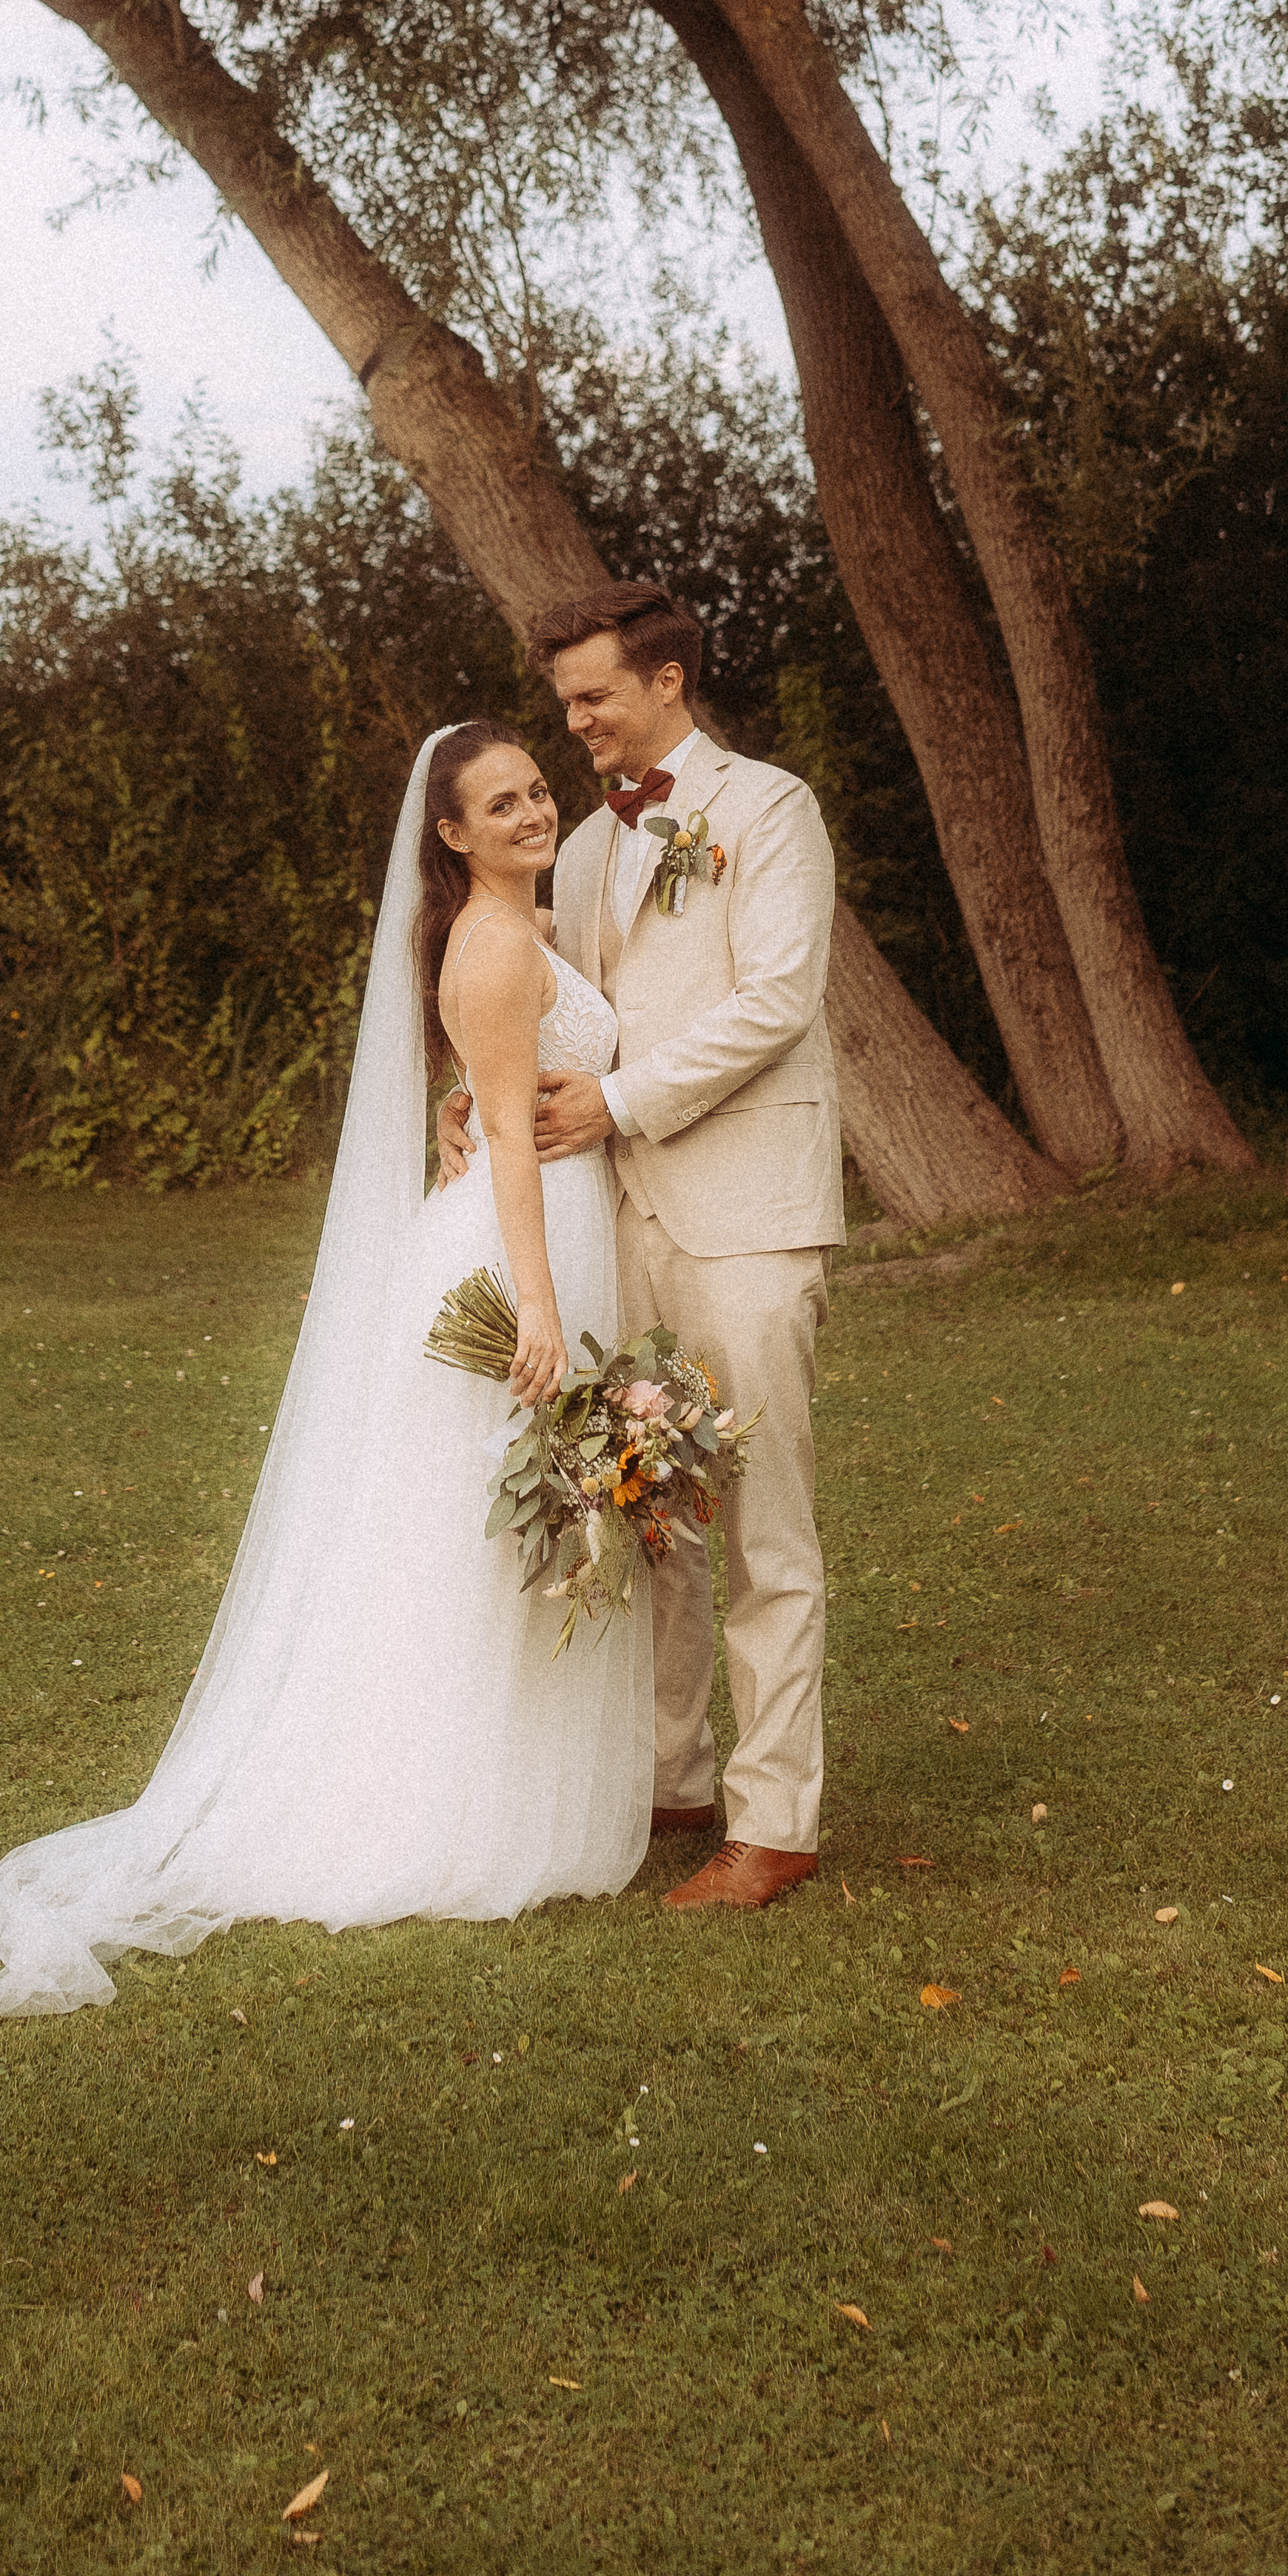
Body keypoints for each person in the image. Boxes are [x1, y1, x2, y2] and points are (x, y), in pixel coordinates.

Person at [0, 720, 651, 2018]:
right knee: (469, 1531)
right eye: (497, 804)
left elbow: (489, 1091)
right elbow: (510, 1134)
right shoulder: (502, 944)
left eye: (533, 791)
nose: (528, 813)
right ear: (448, 836)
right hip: (523, 1244)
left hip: (536, 1228)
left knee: (470, 1526)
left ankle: (490, 1775)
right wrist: (543, 1306)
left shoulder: (523, 928)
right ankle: (437, 1804)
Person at [450, 583, 844, 1913]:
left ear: (668, 680)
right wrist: (486, 1096)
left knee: (762, 1533)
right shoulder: (586, 848)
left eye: (592, 698)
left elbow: (777, 1001)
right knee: (652, 1513)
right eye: (565, 702)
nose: (575, 726)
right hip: (624, 1222)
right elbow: (572, 1010)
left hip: (749, 1217)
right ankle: (673, 1781)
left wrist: (614, 1105)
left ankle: (774, 1821)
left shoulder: (770, 811)